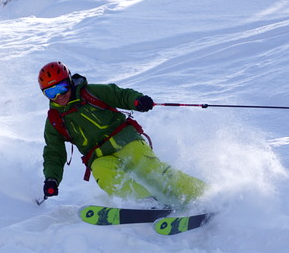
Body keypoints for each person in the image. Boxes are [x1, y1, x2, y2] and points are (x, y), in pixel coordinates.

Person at [39, 61, 205, 209]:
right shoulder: (55, 119)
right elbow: (54, 152)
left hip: (125, 141)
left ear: (69, 82)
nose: (59, 96)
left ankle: (203, 196)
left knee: (152, 171)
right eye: (51, 93)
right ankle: (145, 205)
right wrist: (51, 179)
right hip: (98, 157)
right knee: (103, 173)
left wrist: (137, 100)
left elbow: (120, 95)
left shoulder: (91, 93)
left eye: (62, 88)